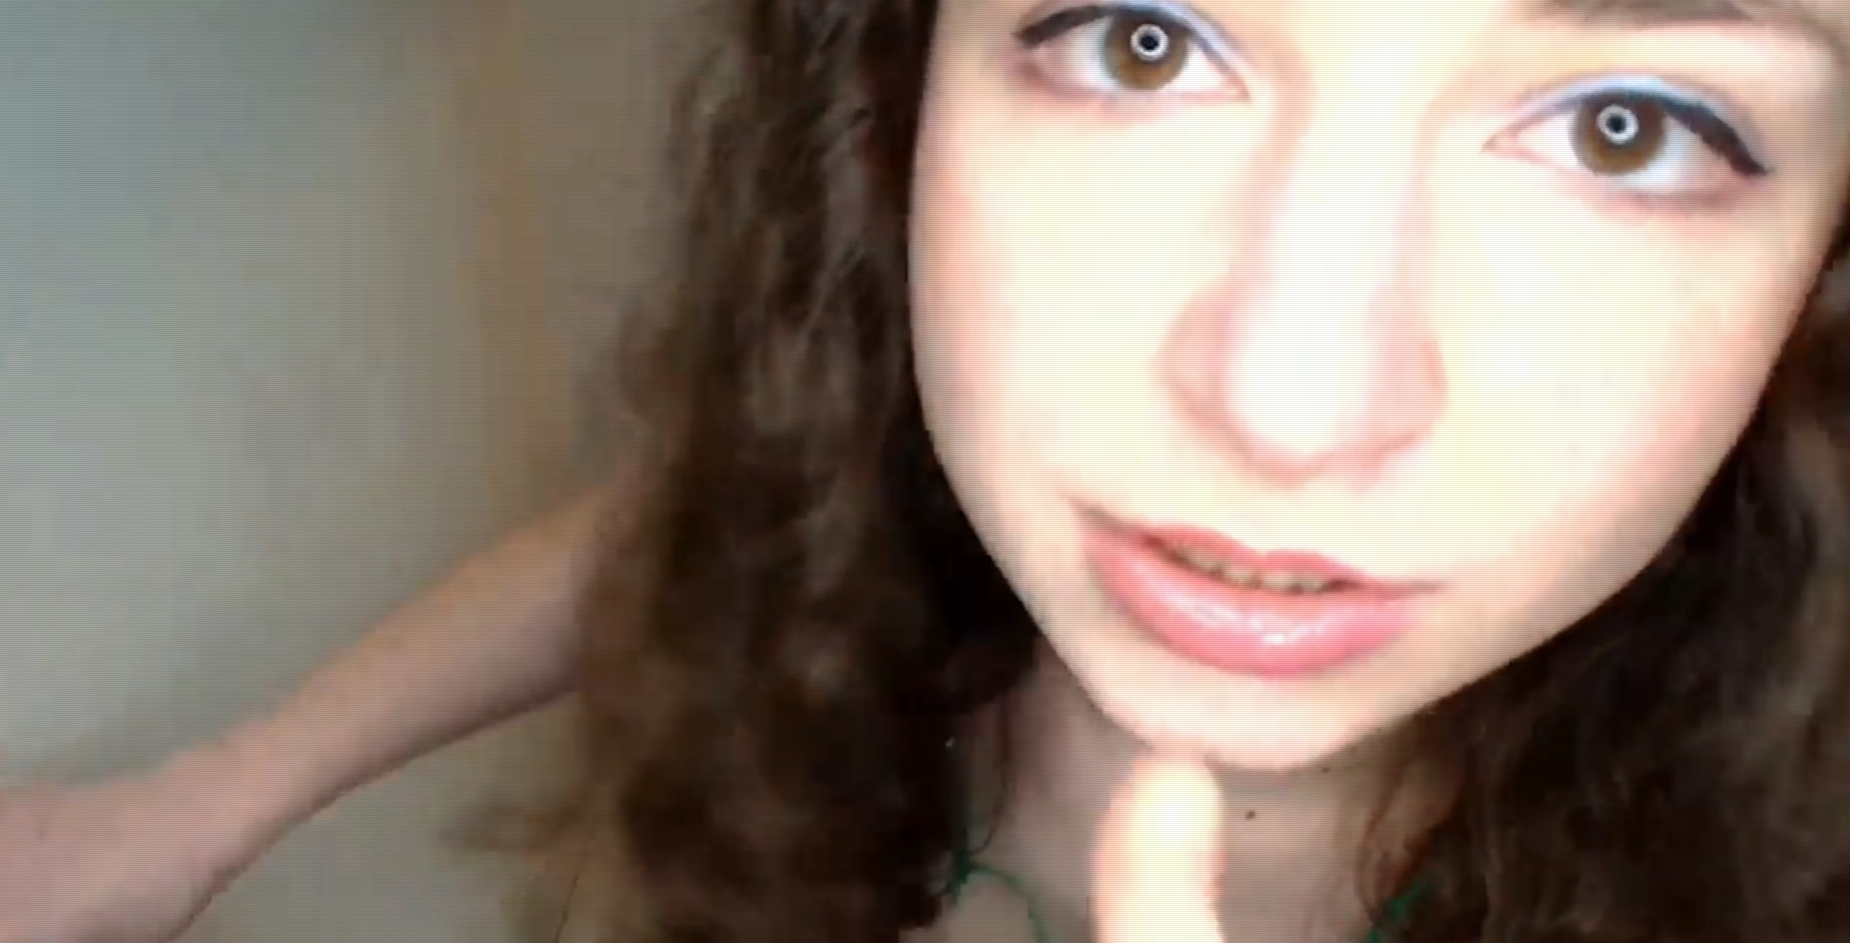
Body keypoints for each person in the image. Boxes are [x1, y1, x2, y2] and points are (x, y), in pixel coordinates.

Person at [7, 0, 1850, 940]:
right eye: (1141, 35)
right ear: (896, 92)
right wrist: (201, 803)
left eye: (1628, 130)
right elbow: (700, 510)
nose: (1289, 407)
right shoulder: (891, 524)